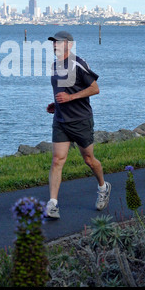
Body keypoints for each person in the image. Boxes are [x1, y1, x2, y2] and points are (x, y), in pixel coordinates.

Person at [46, 30, 111, 219]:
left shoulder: (78, 63)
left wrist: (70, 97)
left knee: (89, 160)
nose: (55, 45)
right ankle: (53, 204)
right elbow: (62, 91)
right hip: (60, 120)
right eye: (53, 43)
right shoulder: (54, 65)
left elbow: (95, 88)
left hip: (81, 120)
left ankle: (103, 187)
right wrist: (56, 104)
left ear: (70, 45)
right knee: (58, 160)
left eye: (59, 42)